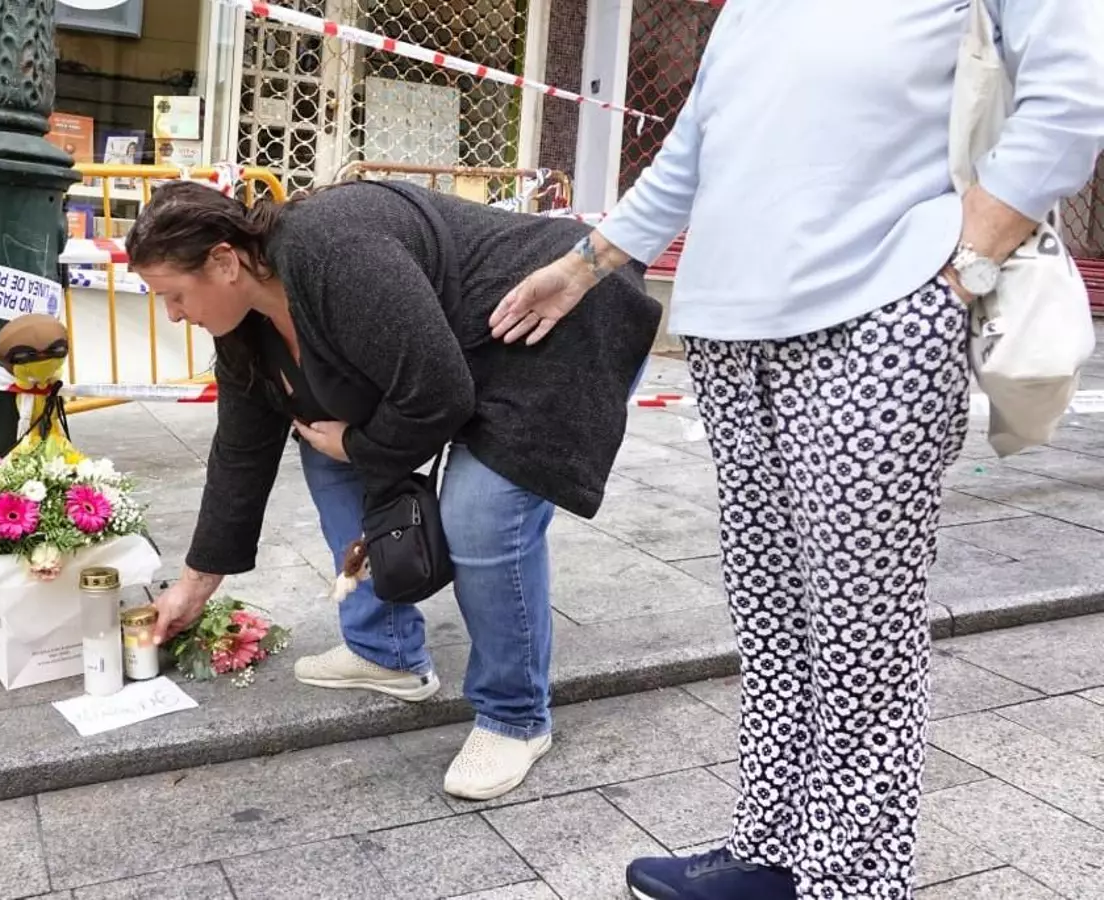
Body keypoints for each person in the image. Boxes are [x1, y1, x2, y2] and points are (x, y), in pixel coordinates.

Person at [490, 2, 1104, 898]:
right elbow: (693, 149)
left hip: (880, 310)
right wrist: (582, 266)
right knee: (772, 614)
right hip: (730, 330)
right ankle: (770, 851)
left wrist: (964, 267)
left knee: (860, 629)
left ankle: (849, 880)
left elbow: (1071, 97)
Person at [126, 178, 661, 800]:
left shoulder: (332, 251)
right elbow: (240, 455)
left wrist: (360, 445)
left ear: (224, 262)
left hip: (561, 317)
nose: (173, 315)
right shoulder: (244, 328)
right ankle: (386, 652)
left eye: (173, 295)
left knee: (480, 514)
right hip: (462, 348)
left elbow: (438, 394)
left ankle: (515, 717)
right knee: (322, 446)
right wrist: (194, 586)